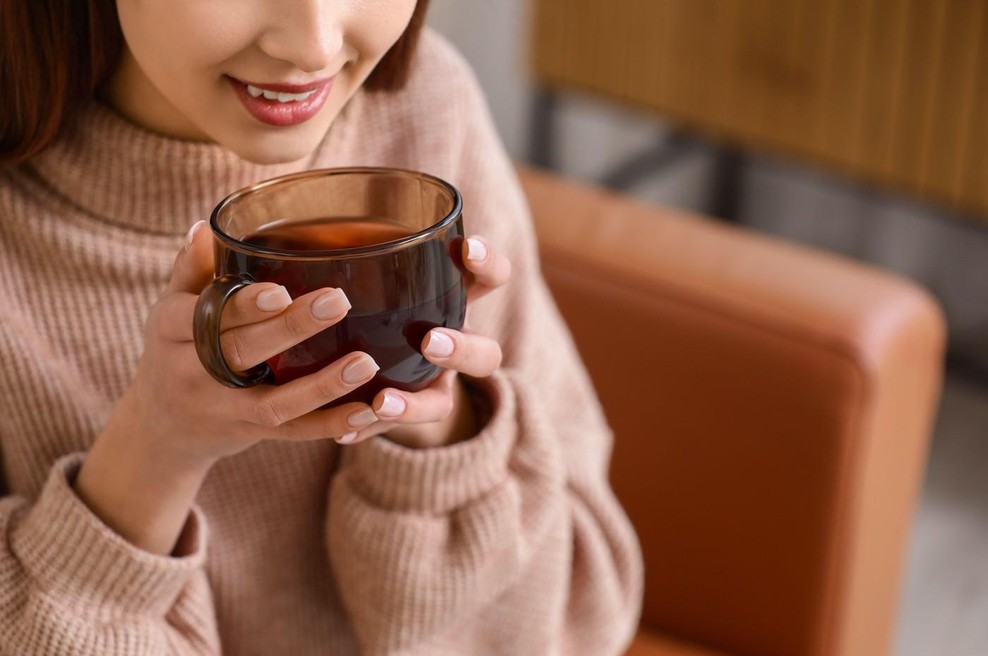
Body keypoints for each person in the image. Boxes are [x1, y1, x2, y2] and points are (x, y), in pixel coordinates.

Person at [0, 1, 643, 653]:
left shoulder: (425, 112)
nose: (314, 46)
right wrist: (156, 443)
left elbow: (581, 619)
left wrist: (437, 429)